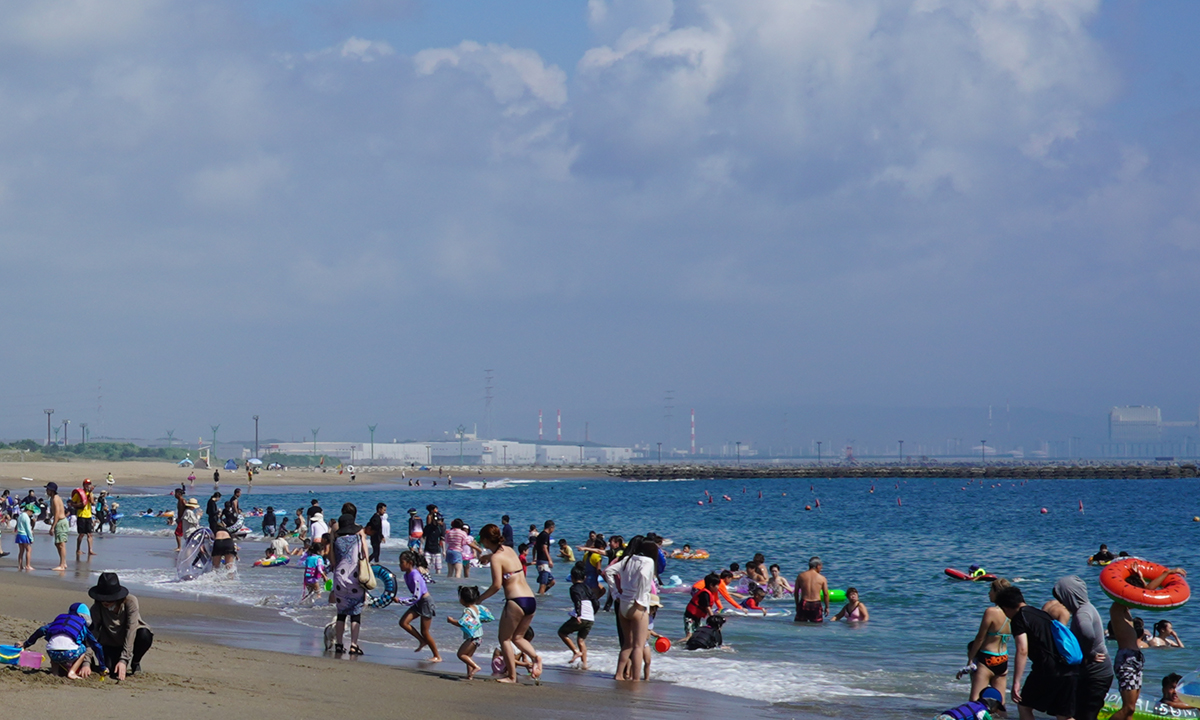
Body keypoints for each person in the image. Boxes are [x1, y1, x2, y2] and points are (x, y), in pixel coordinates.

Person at [997, 585, 1076, 720]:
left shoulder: (1018, 618)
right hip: (1069, 668)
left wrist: (1016, 682)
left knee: (1024, 706)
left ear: (1006, 608)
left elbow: (1022, 650)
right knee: (1064, 715)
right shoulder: (1041, 614)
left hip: (1047, 669)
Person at [477, 523, 542, 683]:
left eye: (482, 541)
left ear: (486, 540)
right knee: (518, 637)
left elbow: (496, 585)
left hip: (516, 601)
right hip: (530, 599)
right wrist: (487, 557)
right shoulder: (509, 550)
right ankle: (536, 657)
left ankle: (512, 677)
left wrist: (479, 600)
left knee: (504, 639)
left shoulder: (496, 558)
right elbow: (500, 557)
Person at [1054, 576, 1113, 720]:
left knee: (1086, 715)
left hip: (1096, 674)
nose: (1062, 603)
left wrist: (1089, 653)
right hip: (1097, 673)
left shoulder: (1082, 613)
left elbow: (1087, 634)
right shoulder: (1087, 608)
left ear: (1070, 595)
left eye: (1062, 598)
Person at [605, 535, 656, 682]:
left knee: (627, 644)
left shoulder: (627, 559)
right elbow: (643, 574)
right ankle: (635, 678)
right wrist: (640, 598)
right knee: (638, 646)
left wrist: (615, 593)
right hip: (637, 605)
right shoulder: (648, 561)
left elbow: (608, 571)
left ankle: (619, 674)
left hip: (623, 603)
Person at [89, 572, 153, 680]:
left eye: (109, 598)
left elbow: (131, 629)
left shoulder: (130, 602)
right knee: (111, 670)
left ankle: (135, 662)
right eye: (102, 598)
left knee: (145, 634)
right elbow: (92, 634)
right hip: (109, 642)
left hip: (128, 639)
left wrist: (124, 659)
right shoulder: (96, 608)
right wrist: (87, 661)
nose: (105, 601)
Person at [22, 602, 107, 679]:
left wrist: (26, 644)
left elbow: (41, 630)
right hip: (69, 653)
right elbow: (96, 646)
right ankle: (72, 672)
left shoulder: (60, 621)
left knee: (54, 645)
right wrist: (102, 667)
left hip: (51, 652)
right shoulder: (82, 625)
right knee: (83, 650)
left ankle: (55, 672)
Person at [965, 578, 1013, 706]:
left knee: (975, 702)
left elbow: (980, 638)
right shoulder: (1012, 613)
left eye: (990, 590)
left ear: (997, 592)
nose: (989, 593)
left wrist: (970, 659)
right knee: (1000, 705)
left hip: (987, 658)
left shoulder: (991, 612)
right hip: (1003, 659)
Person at [329, 507, 368, 656]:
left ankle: (339, 644)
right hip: (354, 578)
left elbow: (332, 561)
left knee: (341, 613)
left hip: (339, 579)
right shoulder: (358, 539)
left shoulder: (337, 541)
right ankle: (353, 645)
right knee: (355, 614)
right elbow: (365, 556)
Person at [397, 549, 441, 661]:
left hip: (425, 602)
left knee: (425, 631)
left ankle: (437, 656)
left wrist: (401, 600)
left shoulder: (415, 575)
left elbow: (416, 596)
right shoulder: (406, 575)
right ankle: (422, 641)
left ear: (410, 563)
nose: (400, 565)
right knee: (403, 622)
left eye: (402, 562)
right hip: (418, 603)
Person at [449, 585, 493, 678]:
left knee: (461, 654)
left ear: (462, 599)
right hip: (479, 637)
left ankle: (476, 667)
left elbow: (461, 623)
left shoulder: (467, 611)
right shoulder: (477, 608)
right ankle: (470, 675)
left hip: (473, 638)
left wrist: (451, 621)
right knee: (468, 656)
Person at [559, 565, 597, 668]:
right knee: (581, 640)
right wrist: (593, 613)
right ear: (584, 577)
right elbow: (596, 602)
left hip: (581, 616)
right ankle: (584, 664)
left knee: (562, 632)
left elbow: (577, 601)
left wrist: (579, 615)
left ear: (572, 577)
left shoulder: (573, 588)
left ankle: (576, 651)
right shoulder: (588, 588)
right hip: (590, 617)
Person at [684, 573, 720, 642]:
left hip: (697, 618)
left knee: (698, 635)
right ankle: (673, 645)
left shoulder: (709, 593)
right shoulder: (705, 594)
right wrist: (714, 620)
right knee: (689, 637)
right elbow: (707, 608)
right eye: (717, 585)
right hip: (689, 617)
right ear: (711, 585)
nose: (718, 587)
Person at [794, 556, 829, 622]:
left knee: (799, 624)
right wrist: (827, 607)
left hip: (804, 602)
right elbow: (826, 594)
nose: (821, 568)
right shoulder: (822, 578)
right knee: (817, 626)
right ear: (817, 566)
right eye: (821, 566)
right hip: (816, 604)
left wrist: (797, 605)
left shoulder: (801, 576)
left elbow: (796, 592)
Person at [935, 688, 1005, 720]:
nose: (996, 710)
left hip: (942, 716)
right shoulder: (982, 712)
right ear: (992, 703)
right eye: (997, 707)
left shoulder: (972, 704)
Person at [46, 482, 68, 571]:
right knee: (57, 543)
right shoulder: (52, 499)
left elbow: (57, 514)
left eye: (48, 489)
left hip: (61, 522)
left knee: (61, 544)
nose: (46, 491)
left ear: (51, 490)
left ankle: (62, 565)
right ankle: (63, 563)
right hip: (58, 522)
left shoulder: (55, 498)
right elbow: (53, 513)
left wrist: (52, 527)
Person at [71, 478, 97, 557]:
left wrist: (90, 493)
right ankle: (78, 549)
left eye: (89, 484)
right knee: (81, 534)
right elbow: (72, 502)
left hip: (88, 515)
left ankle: (90, 550)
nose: (88, 486)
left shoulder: (90, 493)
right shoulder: (79, 494)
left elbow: (92, 502)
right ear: (83, 485)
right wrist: (77, 505)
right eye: (86, 484)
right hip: (81, 515)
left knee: (90, 534)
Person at [534, 520, 556, 594]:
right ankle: (540, 600)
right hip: (543, 561)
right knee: (543, 584)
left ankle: (540, 595)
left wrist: (534, 557)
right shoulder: (545, 535)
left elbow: (535, 547)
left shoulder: (540, 535)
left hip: (540, 560)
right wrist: (550, 560)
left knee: (552, 581)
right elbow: (544, 548)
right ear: (551, 527)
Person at [423, 505, 445, 576]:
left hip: (435, 546)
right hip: (430, 545)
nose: (437, 509)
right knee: (429, 565)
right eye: (435, 508)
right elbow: (428, 525)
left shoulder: (440, 524)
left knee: (436, 566)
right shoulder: (429, 516)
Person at [15, 503, 34, 570]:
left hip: (19, 534)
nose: (31, 514)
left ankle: (20, 565)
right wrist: (31, 538)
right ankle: (28, 565)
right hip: (24, 535)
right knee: (29, 550)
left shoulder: (20, 515)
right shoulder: (26, 517)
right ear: (29, 510)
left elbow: (17, 525)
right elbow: (28, 529)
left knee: (21, 551)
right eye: (32, 512)